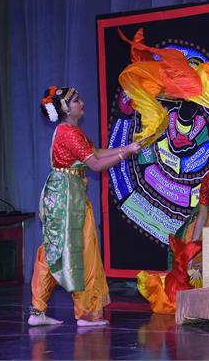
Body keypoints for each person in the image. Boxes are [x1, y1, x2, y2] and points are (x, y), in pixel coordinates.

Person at [29, 86, 141, 327]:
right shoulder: (67, 133)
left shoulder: (71, 131)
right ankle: (83, 312)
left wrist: (127, 148)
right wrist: (126, 154)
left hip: (71, 195)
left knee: (57, 250)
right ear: (66, 108)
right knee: (68, 250)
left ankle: (43, 310)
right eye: (77, 101)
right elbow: (96, 165)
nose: (82, 103)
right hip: (66, 197)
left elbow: (96, 153)